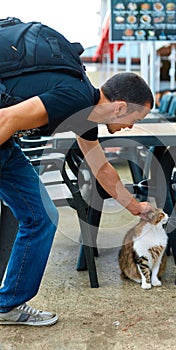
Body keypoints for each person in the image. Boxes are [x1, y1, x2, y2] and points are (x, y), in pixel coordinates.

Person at [0, 70, 154, 326]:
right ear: (121, 107)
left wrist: (135, 206)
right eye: (135, 118)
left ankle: (7, 305)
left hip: (6, 147)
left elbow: (102, 168)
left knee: (42, 217)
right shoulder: (75, 98)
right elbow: (5, 117)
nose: (131, 126)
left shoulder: (84, 113)